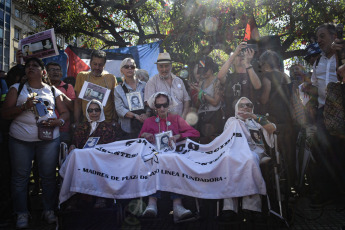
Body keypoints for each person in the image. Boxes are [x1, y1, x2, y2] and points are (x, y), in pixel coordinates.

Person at [1, 57, 69, 229]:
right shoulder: (17, 89)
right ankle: (21, 213)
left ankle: (49, 211)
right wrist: (24, 106)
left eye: (35, 66)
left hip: (49, 140)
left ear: (43, 71)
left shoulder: (52, 90)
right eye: (28, 66)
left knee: (48, 178)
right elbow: (5, 113)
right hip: (20, 140)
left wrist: (58, 122)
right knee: (20, 178)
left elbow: (65, 113)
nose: (30, 68)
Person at [139, 92, 200, 222]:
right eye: (158, 105)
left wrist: (179, 136)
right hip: (155, 155)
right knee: (154, 160)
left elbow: (194, 132)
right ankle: (152, 203)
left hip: (173, 155)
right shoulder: (149, 121)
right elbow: (139, 139)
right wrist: (145, 135)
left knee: (173, 160)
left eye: (165, 105)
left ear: (169, 105)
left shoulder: (176, 118)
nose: (162, 109)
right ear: (154, 106)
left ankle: (177, 205)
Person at [220, 97, 275, 220]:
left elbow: (272, 129)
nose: (245, 107)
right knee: (228, 159)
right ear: (236, 108)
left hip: (255, 151)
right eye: (241, 105)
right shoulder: (232, 120)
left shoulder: (258, 121)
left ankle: (252, 207)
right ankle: (229, 208)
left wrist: (255, 117)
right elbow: (226, 140)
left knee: (250, 159)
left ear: (252, 108)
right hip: (235, 151)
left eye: (248, 105)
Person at [69, 99, 126, 208]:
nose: (94, 113)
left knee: (100, 164)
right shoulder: (81, 127)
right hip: (84, 160)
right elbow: (75, 143)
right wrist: (72, 146)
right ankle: (76, 196)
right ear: (87, 112)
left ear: (101, 111)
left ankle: (101, 196)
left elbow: (112, 146)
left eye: (97, 110)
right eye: (90, 110)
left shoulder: (108, 127)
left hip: (102, 158)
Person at [258, 50, 296, 187]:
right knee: (290, 154)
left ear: (266, 64)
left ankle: (280, 189)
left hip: (275, 120)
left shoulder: (267, 77)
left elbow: (264, 99)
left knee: (276, 156)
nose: (261, 68)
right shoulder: (286, 77)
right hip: (289, 120)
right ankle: (294, 185)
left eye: (261, 64)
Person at [217, 42, 261, 118]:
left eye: (243, 54)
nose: (241, 56)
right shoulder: (229, 76)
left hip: (250, 117)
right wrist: (234, 54)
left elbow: (257, 86)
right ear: (233, 61)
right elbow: (220, 76)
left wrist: (247, 63)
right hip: (232, 116)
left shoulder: (251, 73)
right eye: (238, 55)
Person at [74, 50, 117, 124]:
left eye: (100, 65)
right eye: (95, 64)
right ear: (90, 63)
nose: (97, 67)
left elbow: (115, 102)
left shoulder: (111, 78)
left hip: (107, 123)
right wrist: (77, 121)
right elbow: (78, 102)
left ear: (104, 65)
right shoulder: (81, 76)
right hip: (87, 123)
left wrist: (114, 121)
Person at [144, 53, 191, 119]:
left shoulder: (179, 81)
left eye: (166, 66)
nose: (164, 69)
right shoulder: (152, 82)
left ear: (171, 66)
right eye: (161, 66)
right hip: (162, 122)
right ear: (157, 67)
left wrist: (183, 116)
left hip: (181, 120)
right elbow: (148, 103)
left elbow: (186, 100)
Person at [190, 57, 223, 143]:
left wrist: (201, 92)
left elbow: (215, 102)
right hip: (202, 117)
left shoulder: (217, 81)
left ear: (211, 69)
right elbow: (198, 105)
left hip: (214, 117)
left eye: (205, 70)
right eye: (201, 71)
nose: (203, 73)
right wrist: (198, 96)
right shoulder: (201, 82)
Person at [114, 58, 147, 138]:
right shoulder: (118, 89)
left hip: (145, 125)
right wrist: (135, 116)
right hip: (127, 128)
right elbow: (119, 109)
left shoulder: (144, 85)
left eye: (132, 67)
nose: (129, 68)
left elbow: (149, 103)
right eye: (126, 66)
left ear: (135, 69)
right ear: (122, 70)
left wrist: (147, 114)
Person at [46, 62, 75, 144]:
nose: (55, 72)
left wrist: (58, 93)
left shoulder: (68, 87)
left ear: (61, 74)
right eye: (52, 70)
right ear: (46, 72)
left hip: (63, 129)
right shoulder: (41, 87)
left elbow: (72, 107)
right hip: (44, 128)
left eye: (58, 70)